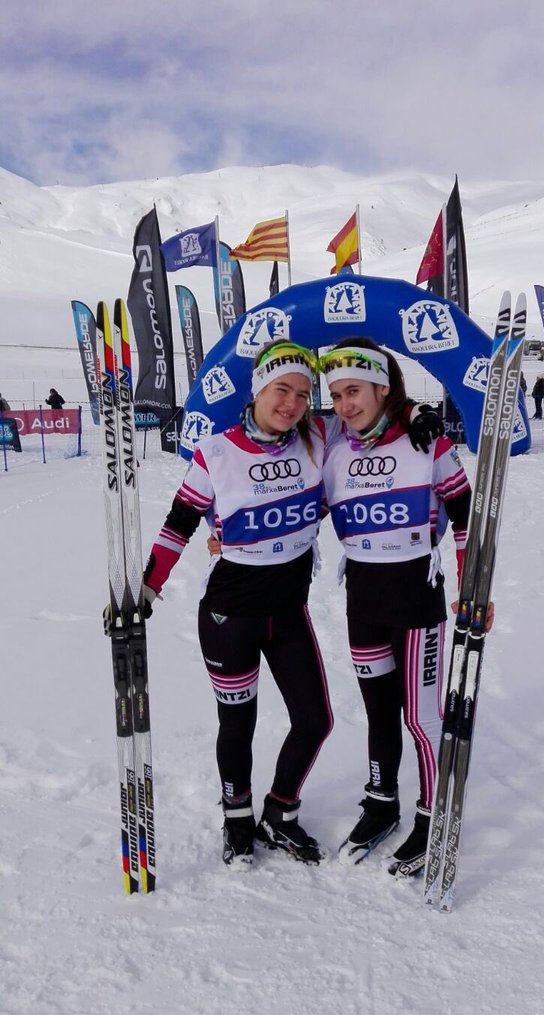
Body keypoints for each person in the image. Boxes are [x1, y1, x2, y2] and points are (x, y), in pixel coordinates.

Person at [144, 340, 443, 871]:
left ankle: (279, 813)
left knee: (315, 719)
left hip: (289, 611)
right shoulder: (215, 452)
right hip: (229, 612)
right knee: (238, 723)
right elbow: (178, 524)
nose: (293, 403)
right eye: (283, 389)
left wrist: (418, 412)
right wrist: (147, 586)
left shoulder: (315, 435)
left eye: (305, 395)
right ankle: (237, 821)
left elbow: (371, 405)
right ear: (259, 388)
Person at [320, 337, 481, 878]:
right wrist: (223, 532)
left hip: (416, 592)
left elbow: (464, 516)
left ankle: (432, 813)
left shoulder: (425, 441)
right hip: (362, 594)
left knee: (422, 714)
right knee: (377, 711)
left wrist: (471, 586)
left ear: (383, 388)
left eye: (355, 391)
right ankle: (382, 800)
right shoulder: (333, 447)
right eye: (337, 394)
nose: (345, 404)